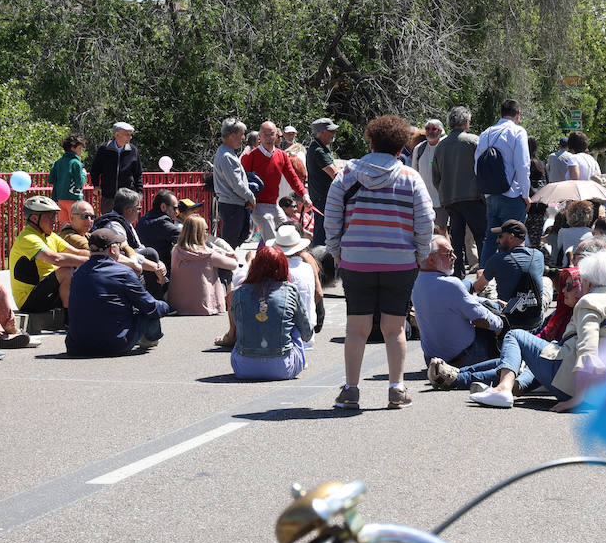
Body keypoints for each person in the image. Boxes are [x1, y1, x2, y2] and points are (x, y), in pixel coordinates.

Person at [324, 114, 435, 409]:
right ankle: (396, 389)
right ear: (401, 148)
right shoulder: (411, 178)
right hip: (399, 263)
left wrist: (338, 251)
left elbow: (332, 217)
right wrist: (420, 254)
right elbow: (426, 221)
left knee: (356, 329)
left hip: (356, 261)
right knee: (395, 329)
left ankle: (350, 390)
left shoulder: (346, 175)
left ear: (370, 142)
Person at [468, 250, 606, 411]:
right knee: (547, 350)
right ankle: (514, 387)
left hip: (570, 384)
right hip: (602, 393)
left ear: (589, 281)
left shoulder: (589, 302)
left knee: (515, 335)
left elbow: (588, 348)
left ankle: (503, 389)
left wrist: (577, 399)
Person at [65, 227, 170, 356]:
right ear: (112, 249)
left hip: (77, 345)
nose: (120, 250)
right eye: (118, 246)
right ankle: (150, 339)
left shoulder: (77, 273)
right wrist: (165, 306)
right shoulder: (123, 272)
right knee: (149, 313)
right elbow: (149, 306)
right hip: (115, 344)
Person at [417, 234, 503, 377]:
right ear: (431, 259)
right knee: (499, 321)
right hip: (463, 358)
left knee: (488, 304)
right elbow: (481, 319)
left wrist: (487, 302)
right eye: (449, 254)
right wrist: (500, 323)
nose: (455, 257)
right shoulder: (451, 284)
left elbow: (457, 300)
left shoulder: (416, 281)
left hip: (432, 359)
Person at [230, 244, 313, 380]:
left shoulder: (238, 292)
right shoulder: (290, 291)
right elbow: (307, 334)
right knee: (294, 325)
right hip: (283, 367)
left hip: (244, 368)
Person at [475, 99, 532, 263]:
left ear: (500, 114)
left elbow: (477, 165)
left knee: (491, 238)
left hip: (491, 195)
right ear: (518, 115)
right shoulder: (518, 132)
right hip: (512, 195)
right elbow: (522, 166)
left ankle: (484, 279)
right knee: (515, 240)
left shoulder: (485, 133)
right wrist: (526, 194)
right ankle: (512, 278)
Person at [9, 194, 86, 312]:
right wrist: (91, 261)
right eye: (50, 216)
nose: (55, 220)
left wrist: (105, 257)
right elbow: (56, 259)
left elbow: (77, 253)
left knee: (80, 274)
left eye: (55, 215)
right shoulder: (28, 238)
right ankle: (69, 320)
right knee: (67, 271)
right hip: (28, 300)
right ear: (35, 219)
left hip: (48, 292)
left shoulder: (50, 236)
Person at [434, 105, 484, 278]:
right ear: (466, 121)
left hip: (449, 199)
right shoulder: (474, 141)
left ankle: (458, 272)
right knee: (481, 236)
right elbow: (482, 170)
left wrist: (444, 191)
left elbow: (436, 176)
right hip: (472, 196)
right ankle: (483, 274)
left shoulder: (441, 146)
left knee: (457, 237)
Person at [94, 188, 168, 298]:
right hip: (114, 265)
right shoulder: (114, 225)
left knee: (151, 254)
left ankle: (157, 298)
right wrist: (154, 266)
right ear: (129, 210)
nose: (140, 212)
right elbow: (125, 253)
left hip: (129, 263)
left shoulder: (125, 222)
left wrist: (159, 263)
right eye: (139, 208)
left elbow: (139, 247)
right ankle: (155, 300)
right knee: (150, 254)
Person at [242, 120, 308, 241]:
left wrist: (304, 195)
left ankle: (264, 258)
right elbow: (241, 181)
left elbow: (293, 178)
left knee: (290, 234)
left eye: (271, 134)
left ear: (277, 136)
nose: (268, 137)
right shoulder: (250, 156)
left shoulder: (282, 155)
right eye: (265, 134)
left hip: (274, 205)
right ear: (259, 136)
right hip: (257, 205)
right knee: (272, 240)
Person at [474, 219, 545, 332]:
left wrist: (481, 275)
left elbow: (477, 287)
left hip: (510, 320)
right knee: (546, 281)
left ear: (511, 237)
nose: (498, 240)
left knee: (484, 279)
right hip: (535, 318)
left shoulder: (497, 259)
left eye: (500, 236)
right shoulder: (539, 255)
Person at [167, 214, 237, 315]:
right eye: (206, 230)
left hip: (178, 306)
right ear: (199, 232)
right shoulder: (208, 254)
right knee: (226, 271)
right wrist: (230, 256)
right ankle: (229, 307)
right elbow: (233, 265)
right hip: (203, 307)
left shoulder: (175, 251)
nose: (207, 233)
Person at [212, 118, 255, 248]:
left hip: (233, 205)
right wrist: (251, 198)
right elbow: (237, 185)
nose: (243, 138)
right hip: (233, 207)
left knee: (232, 243)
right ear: (232, 135)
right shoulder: (227, 156)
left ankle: (227, 268)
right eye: (241, 134)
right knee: (229, 246)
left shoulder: (227, 153)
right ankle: (224, 268)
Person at [305, 118, 339, 247]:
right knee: (322, 231)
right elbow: (335, 174)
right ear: (322, 132)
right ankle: (319, 261)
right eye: (331, 131)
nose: (334, 134)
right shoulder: (318, 151)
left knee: (323, 229)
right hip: (323, 198)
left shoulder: (320, 148)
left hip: (322, 197)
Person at [89, 121, 142, 199]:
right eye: (127, 134)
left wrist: (139, 193)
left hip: (127, 198)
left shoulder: (133, 150)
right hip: (108, 197)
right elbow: (95, 170)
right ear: (117, 135)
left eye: (130, 135)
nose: (130, 137)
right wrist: (96, 185)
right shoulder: (104, 150)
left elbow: (138, 174)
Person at [412, 118, 447, 229]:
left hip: (442, 201)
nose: (430, 131)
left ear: (440, 131)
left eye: (434, 129)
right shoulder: (419, 148)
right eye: (427, 128)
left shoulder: (445, 147)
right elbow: (414, 172)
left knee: (442, 230)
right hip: (423, 201)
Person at [49, 133, 88, 225]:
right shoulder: (76, 163)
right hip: (74, 199)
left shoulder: (58, 162)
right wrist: (84, 174)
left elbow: (51, 180)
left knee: (63, 225)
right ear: (73, 148)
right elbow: (79, 183)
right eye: (80, 148)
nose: (81, 151)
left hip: (60, 199)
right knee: (76, 224)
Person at [136, 189, 182, 259]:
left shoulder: (145, 218)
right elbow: (186, 235)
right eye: (175, 208)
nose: (177, 212)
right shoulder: (162, 222)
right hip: (160, 266)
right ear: (163, 207)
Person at [550, 200, 596, 266]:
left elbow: (559, 247)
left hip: (567, 266)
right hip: (585, 266)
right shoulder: (592, 233)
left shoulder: (562, 232)